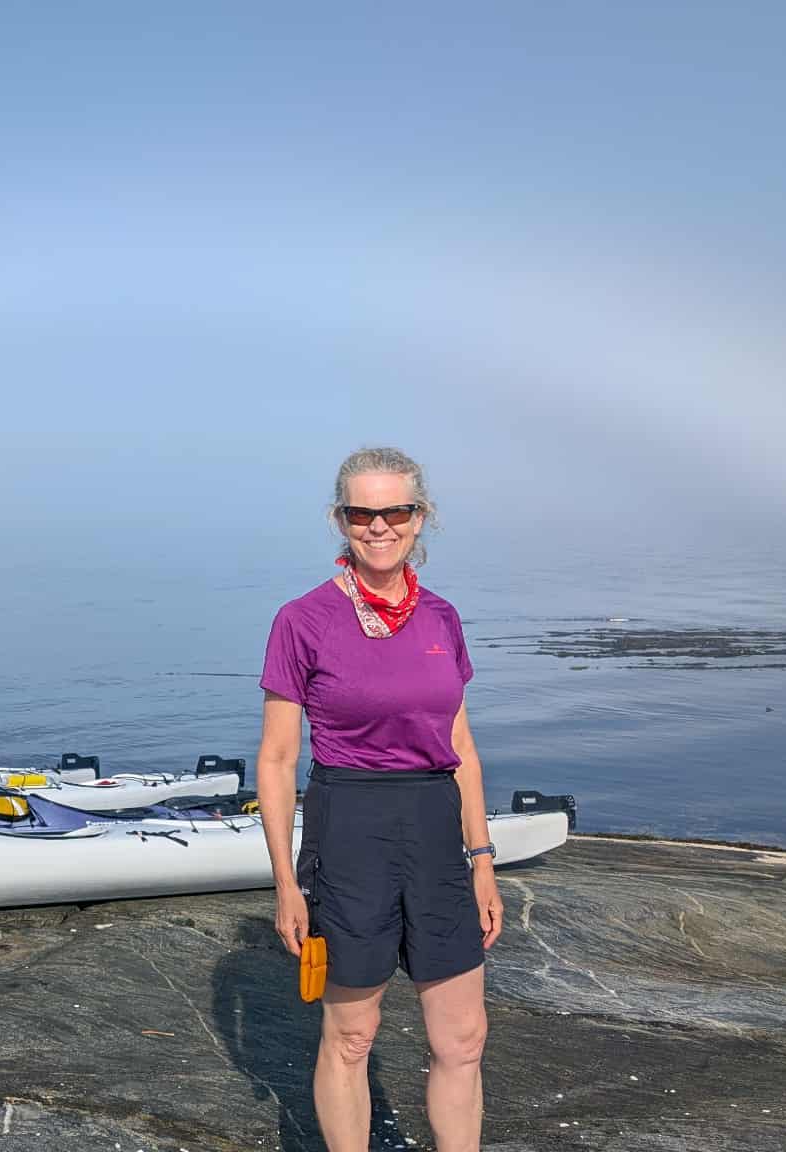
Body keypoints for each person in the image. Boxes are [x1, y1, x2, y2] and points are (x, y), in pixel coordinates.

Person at [256, 446, 503, 1152]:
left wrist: (481, 859)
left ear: (421, 517)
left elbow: (462, 748)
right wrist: (285, 882)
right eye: (362, 513)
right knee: (352, 1033)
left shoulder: (443, 619)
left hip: (433, 832)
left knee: (462, 1038)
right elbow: (277, 760)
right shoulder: (302, 620)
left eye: (396, 510)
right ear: (341, 519)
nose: (380, 527)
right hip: (350, 826)